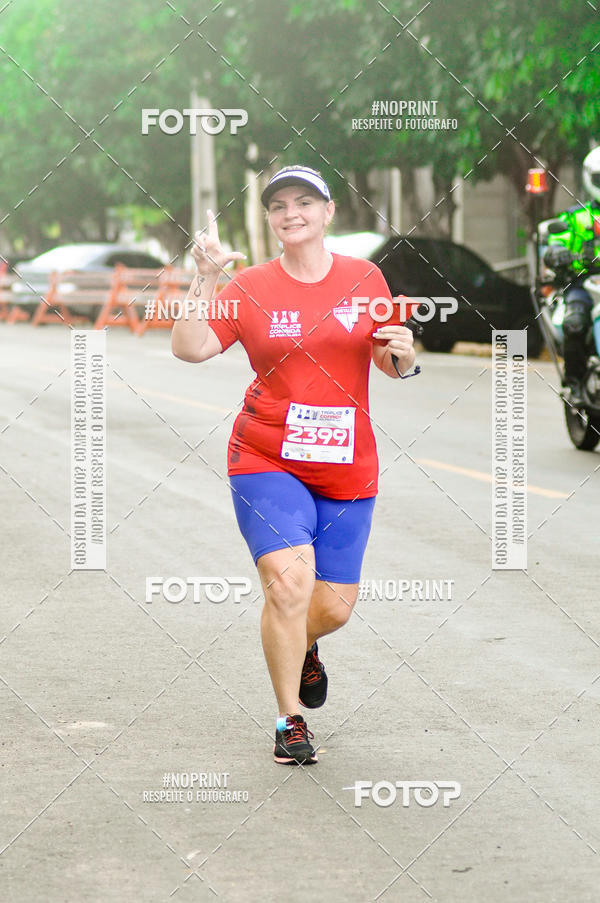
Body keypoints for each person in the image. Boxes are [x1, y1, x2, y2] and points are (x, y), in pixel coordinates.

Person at [172, 165, 415, 765]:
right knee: (289, 584)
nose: (291, 213)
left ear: (329, 211)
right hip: (264, 457)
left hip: (346, 464)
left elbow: (390, 360)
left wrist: (405, 356)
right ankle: (289, 720)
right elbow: (190, 349)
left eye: (304, 201)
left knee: (332, 607)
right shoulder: (250, 286)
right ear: (270, 220)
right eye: (278, 205)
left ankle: (303, 647)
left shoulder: (365, 278)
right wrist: (202, 280)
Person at [546, 147, 600, 405]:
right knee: (575, 321)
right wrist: (558, 253)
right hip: (583, 282)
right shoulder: (577, 216)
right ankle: (575, 385)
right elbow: (557, 239)